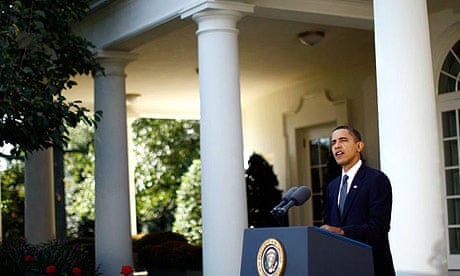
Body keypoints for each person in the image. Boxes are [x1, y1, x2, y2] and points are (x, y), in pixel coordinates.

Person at [320, 125, 395, 276]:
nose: (337, 146)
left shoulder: (376, 180)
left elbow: (378, 228)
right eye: (333, 142)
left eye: (343, 140)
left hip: (372, 267)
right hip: (340, 268)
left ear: (359, 146)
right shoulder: (332, 187)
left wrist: (342, 231)